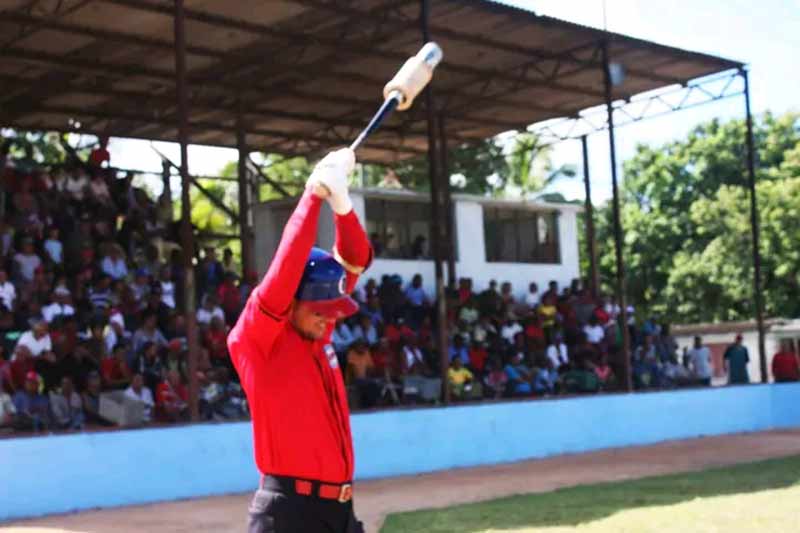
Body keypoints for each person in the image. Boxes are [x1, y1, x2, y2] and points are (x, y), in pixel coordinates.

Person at [227, 148, 369, 533]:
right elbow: (286, 266)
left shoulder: (317, 330)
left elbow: (357, 259)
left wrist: (342, 204)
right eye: (319, 308)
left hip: (339, 512)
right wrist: (313, 194)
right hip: (289, 515)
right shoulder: (258, 338)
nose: (329, 317)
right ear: (290, 301)